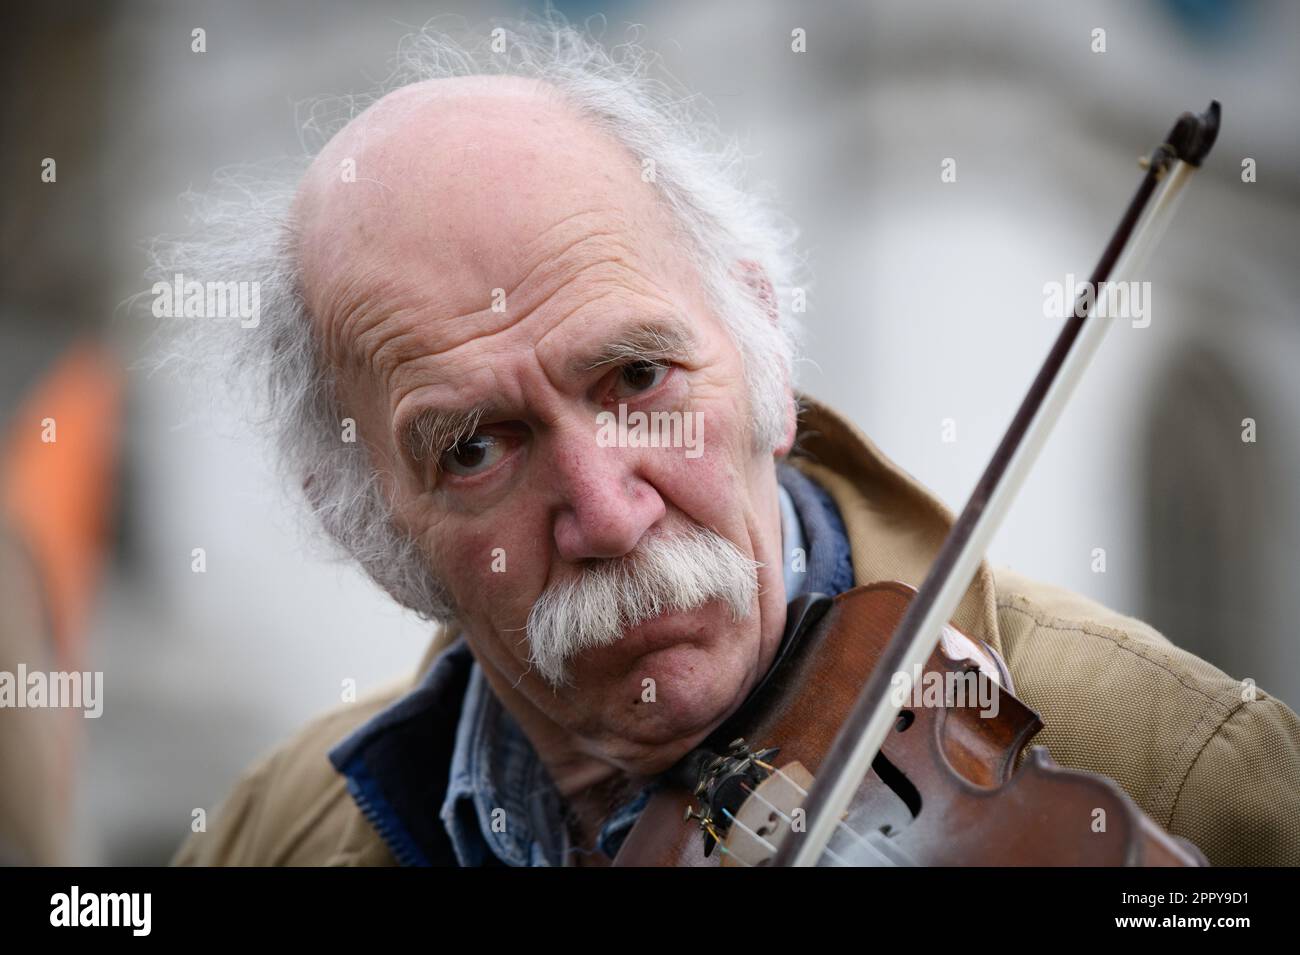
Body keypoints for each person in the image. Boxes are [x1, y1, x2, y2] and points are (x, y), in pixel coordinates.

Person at [167, 21, 1300, 867]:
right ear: (357, 515)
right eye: (474, 448)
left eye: (638, 377)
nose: (608, 513)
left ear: (758, 338)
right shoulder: (269, 833)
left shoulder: (1180, 761)